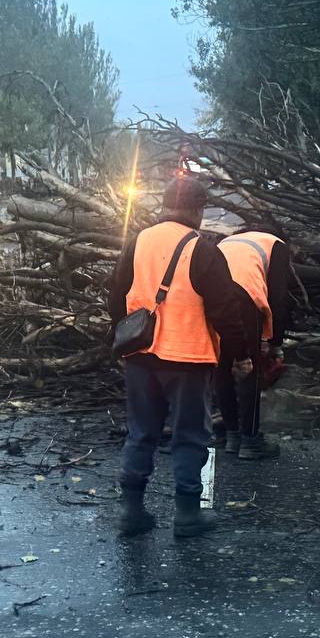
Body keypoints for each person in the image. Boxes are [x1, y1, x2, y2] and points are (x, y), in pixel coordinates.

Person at [106, 177, 251, 538]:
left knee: (141, 432)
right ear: (198, 210)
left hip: (140, 355)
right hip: (188, 358)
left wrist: (123, 337)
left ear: (165, 205)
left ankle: (131, 510)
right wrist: (240, 355)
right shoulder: (202, 249)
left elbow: (114, 297)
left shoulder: (137, 242)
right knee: (189, 434)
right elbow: (226, 311)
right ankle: (188, 514)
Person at [215, 226, 293, 460]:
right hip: (244, 296)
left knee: (222, 365)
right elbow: (278, 297)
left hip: (211, 299)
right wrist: (275, 342)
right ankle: (250, 440)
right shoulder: (276, 244)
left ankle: (232, 435)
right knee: (251, 367)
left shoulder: (227, 241)